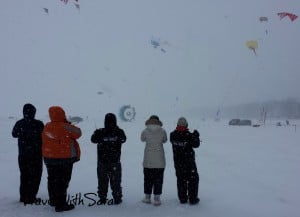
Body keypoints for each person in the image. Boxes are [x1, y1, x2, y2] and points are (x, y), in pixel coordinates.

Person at [42, 106, 81, 212]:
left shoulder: (47, 126)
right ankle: (61, 204)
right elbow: (78, 133)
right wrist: (67, 124)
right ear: (62, 114)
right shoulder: (66, 126)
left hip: (49, 158)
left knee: (52, 179)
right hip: (65, 158)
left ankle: (53, 200)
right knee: (63, 181)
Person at [12, 103, 44, 205]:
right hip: (36, 155)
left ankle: (23, 197)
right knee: (35, 176)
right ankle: (31, 197)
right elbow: (45, 136)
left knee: (24, 176)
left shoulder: (19, 123)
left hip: (22, 155)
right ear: (34, 112)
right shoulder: (39, 124)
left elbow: (14, 134)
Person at [91, 113, 126, 205]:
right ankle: (117, 198)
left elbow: (93, 139)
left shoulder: (100, 131)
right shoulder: (119, 132)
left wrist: (101, 134)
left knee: (102, 181)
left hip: (103, 162)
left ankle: (103, 198)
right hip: (115, 162)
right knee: (116, 181)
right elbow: (123, 139)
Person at [170, 117, 200, 205]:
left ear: (177, 125)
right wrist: (196, 136)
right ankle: (193, 198)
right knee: (193, 180)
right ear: (186, 125)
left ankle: (182, 198)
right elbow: (196, 144)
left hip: (178, 163)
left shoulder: (172, 135)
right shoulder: (189, 135)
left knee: (181, 180)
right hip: (189, 162)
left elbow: (176, 140)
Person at [140, 115, 167, 206]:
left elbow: (142, 139)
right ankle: (157, 198)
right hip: (159, 160)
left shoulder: (145, 131)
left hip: (148, 160)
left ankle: (147, 197)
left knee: (148, 179)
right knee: (158, 180)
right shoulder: (162, 131)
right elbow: (165, 140)